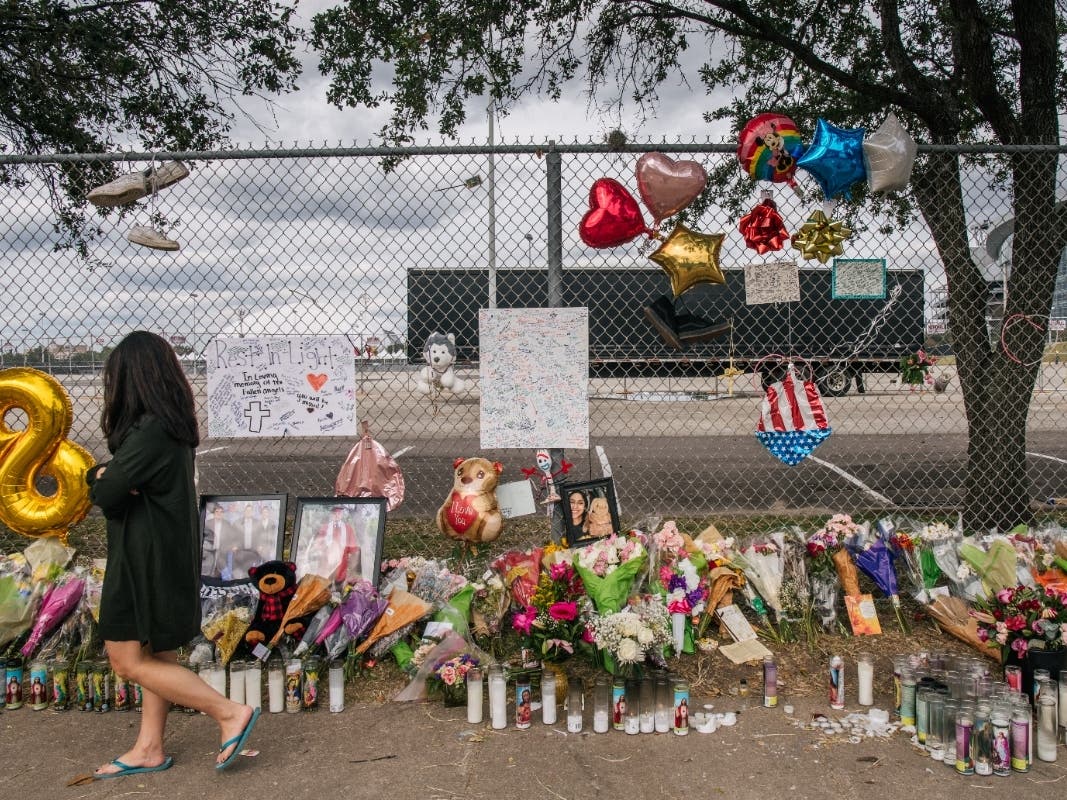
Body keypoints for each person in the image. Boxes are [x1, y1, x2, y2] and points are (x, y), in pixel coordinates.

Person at [86, 331, 257, 777]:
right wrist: (110, 476)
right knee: (158, 654)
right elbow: (116, 483)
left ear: (130, 381)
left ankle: (227, 713)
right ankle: (149, 748)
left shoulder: (149, 432)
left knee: (126, 660)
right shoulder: (170, 428)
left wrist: (103, 476)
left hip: (144, 559)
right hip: (166, 553)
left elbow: (106, 491)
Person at [302, 506, 360, 583]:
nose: (336, 515)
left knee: (339, 586)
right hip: (325, 563)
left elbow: (353, 549)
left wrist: (352, 569)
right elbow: (318, 546)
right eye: (334, 513)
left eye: (339, 513)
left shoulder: (348, 528)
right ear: (331, 515)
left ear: (342, 514)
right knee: (324, 587)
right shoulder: (324, 527)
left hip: (341, 564)